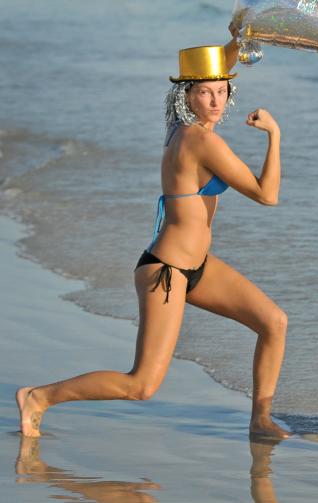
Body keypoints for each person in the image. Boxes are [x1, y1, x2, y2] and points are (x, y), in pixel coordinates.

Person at [17, 40, 290, 439]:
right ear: (187, 96)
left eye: (221, 90)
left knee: (273, 322)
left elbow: (214, 68)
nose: (215, 100)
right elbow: (267, 195)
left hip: (198, 267)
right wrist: (274, 135)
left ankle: (260, 421)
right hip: (166, 270)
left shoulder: (179, 127)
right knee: (141, 385)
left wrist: (238, 41)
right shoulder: (200, 141)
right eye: (204, 92)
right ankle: (39, 397)